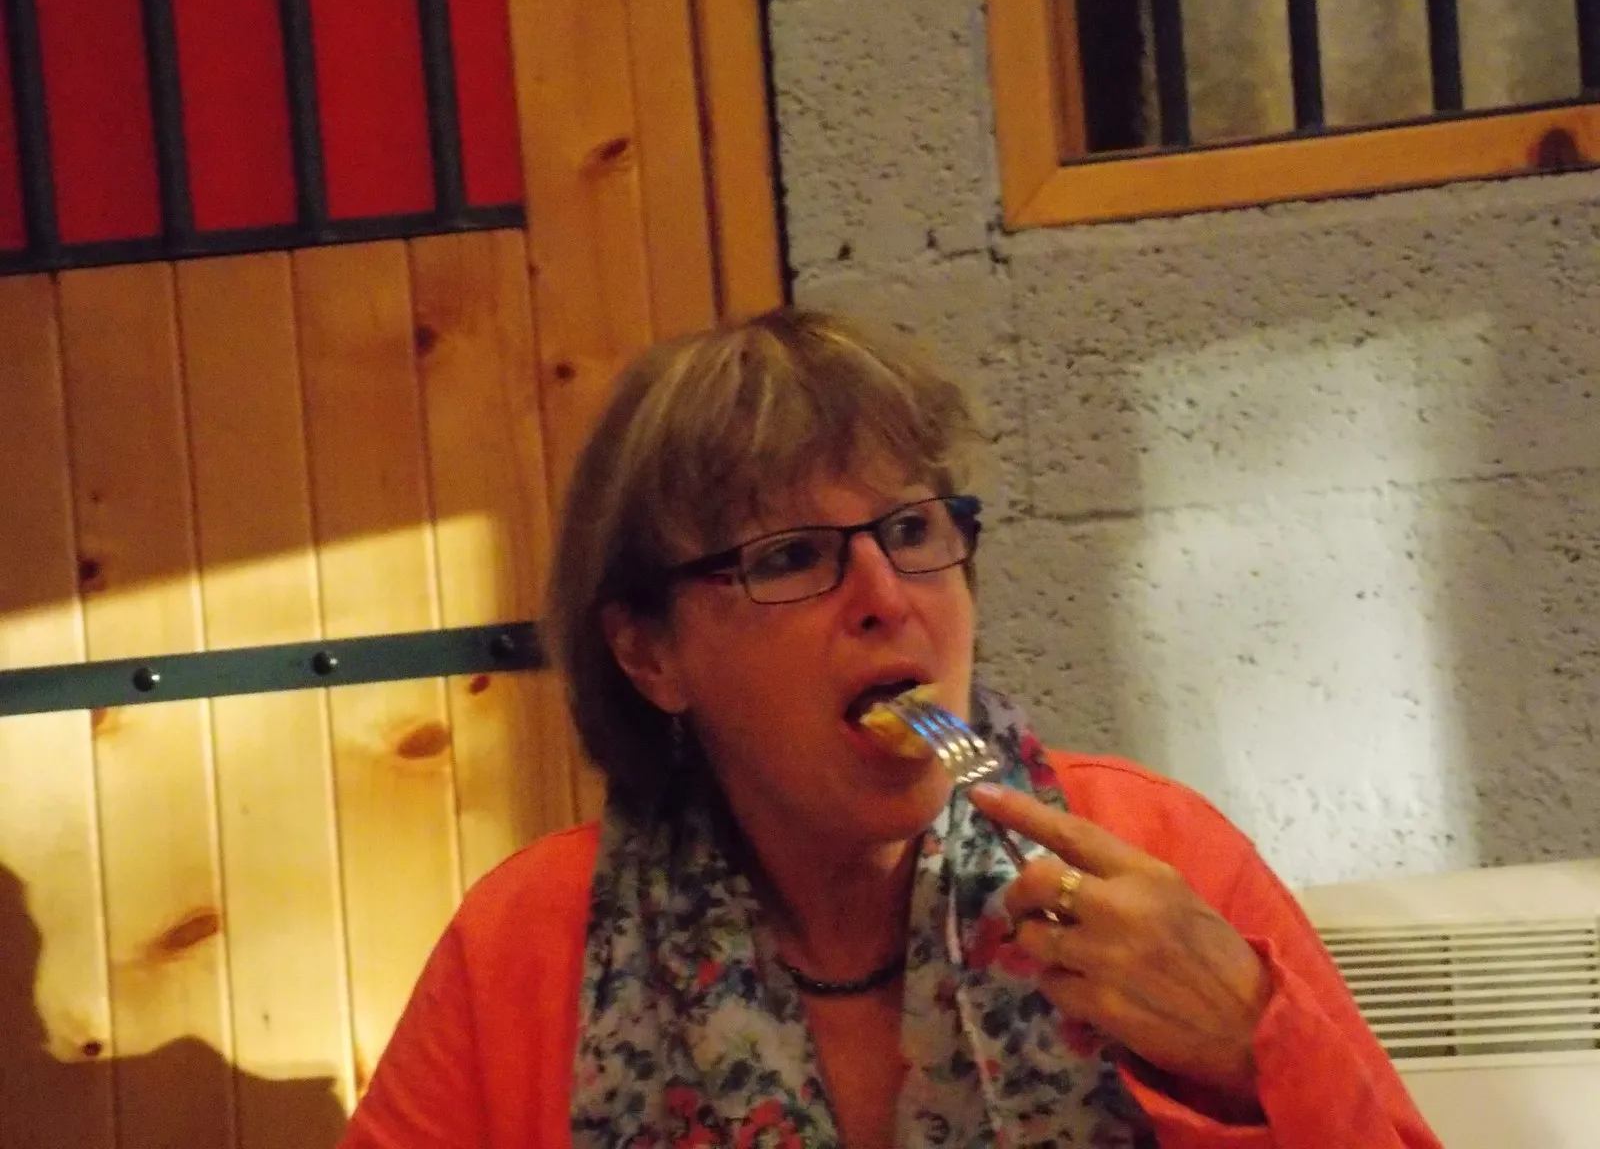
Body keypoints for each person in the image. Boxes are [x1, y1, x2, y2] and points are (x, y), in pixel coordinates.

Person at [338, 309, 1440, 1148]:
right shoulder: (528, 946)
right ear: (650, 655)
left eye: (912, 531)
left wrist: (1255, 1047)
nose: (885, 595)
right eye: (789, 557)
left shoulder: (1150, 850)